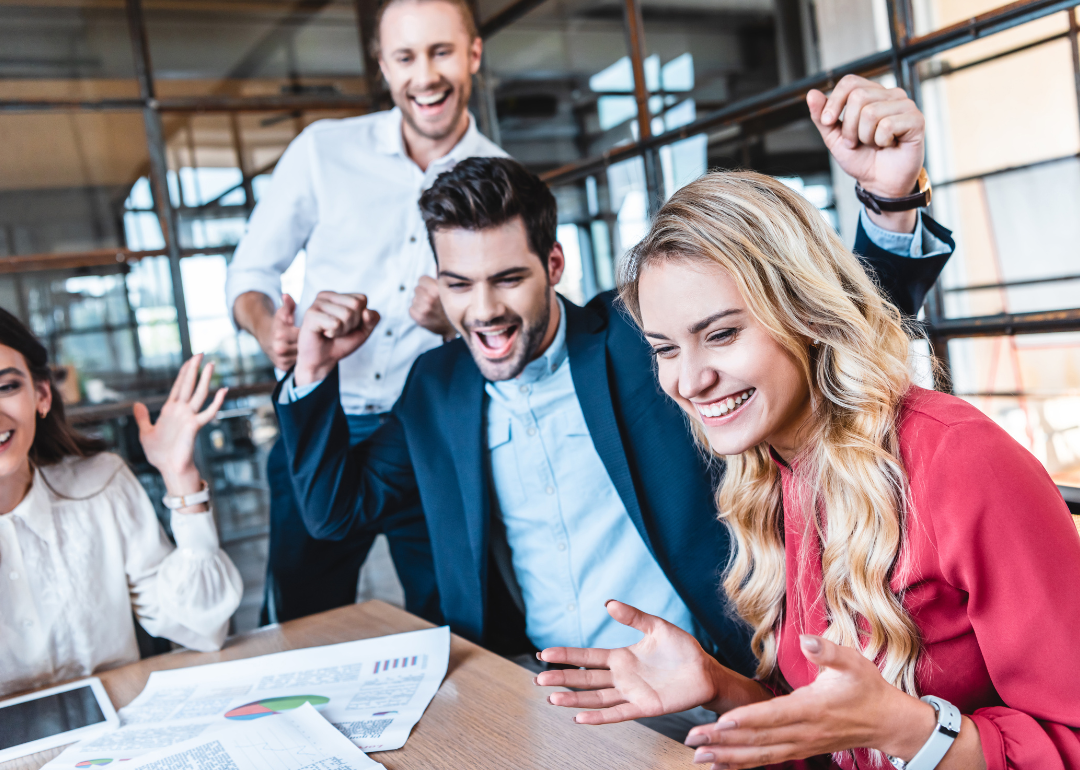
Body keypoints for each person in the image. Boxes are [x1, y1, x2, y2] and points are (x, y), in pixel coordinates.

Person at [273, 78, 960, 729]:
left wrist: (890, 203)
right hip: (535, 702)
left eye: (507, 279)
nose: (482, 311)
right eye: (459, 284)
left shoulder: (640, 340)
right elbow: (337, 515)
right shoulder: (436, 385)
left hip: (708, 686)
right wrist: (312, 371)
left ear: (554, 266)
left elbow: (835, 334)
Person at [531, 163, 1080, 767]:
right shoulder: (771, 468)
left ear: (805, 313)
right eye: (665, 348)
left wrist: (910, 729)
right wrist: (720, 687)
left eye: (721, 334)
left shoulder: (961, 460)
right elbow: (833, 729)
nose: (688, 380)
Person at [224, 0, 507, 625]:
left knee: (454, 625)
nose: (425, 76)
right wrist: (270, 325)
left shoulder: (505, 180)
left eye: (441, 52)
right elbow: (249, 274)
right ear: (384, 66)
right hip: (320, 423)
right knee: (302, 626)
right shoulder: (322, 152)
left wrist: (456, 325)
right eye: (406, 57)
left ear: (473, 55)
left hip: (431, 433)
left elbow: (514, 321)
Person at [0, 308, 242, 698]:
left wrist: (179, 477)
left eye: (6, 387)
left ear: (41, 395)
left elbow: (202, 629)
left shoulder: (102, 484)